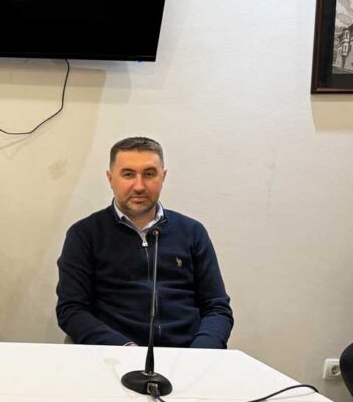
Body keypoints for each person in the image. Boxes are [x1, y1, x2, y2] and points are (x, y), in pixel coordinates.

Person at [56, 137, 233, 348]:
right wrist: (124, 350)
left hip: (187, 353)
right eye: (128, 174)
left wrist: (200, 353)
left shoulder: (192, 232)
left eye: (149, 174)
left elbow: (217, 307)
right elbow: (71, 310)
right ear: (110, 178)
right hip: (115, 354)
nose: (139, 186)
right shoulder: (85, 234)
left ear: (163, 177)